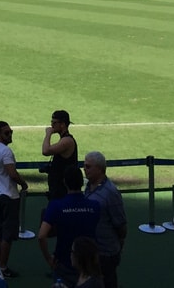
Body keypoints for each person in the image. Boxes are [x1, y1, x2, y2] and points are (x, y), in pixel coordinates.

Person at [37, 166, 100, 286]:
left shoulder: (56, 206)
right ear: (82, 182)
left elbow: (41, 235)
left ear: (65, 182)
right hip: (89, 264)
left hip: (64, 263)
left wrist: (49, 259)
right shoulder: (95, 206)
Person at [0, 121, 28, 278]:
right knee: (8, 235)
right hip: (9, 196)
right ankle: (3, 267)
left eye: (10, 132)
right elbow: (12, 173)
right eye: (6, 133)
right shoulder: (6, 152)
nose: (10, 135)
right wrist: (23, 184)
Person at [83, 151, 127, 288]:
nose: (85, 169)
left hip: (106, 252)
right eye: (84, 166)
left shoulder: (111, 193)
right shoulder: (88, 187)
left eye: (88, 167)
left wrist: (118, 246)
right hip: (91, 249)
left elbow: (121, 225)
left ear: (100, 169)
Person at [42, 110, 78, 202]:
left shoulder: (67, 141)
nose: (52, 125)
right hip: (59, 189)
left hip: (62, 191)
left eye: (54, 123)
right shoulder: (64, 140)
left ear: (62, 124)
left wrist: (48, 134)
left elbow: (46, 151)